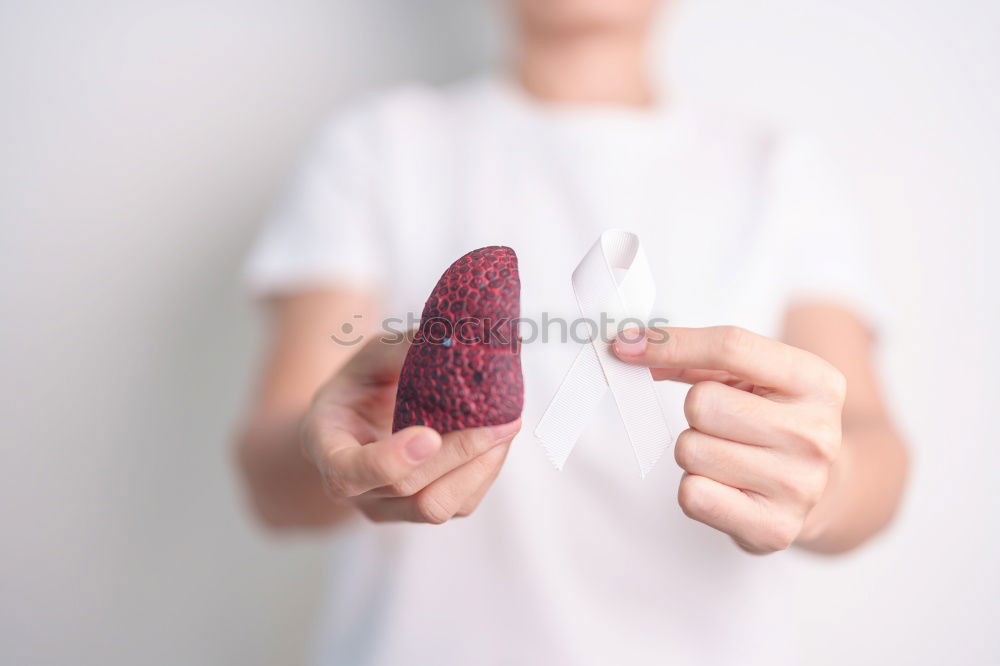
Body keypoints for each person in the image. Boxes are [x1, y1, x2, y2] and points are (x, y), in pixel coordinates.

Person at [235, 1, 908, 663]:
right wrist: (340, 453)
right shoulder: (381, 146)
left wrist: (827, 486)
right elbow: (270, 478)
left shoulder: (778, 170)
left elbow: (870, 442)